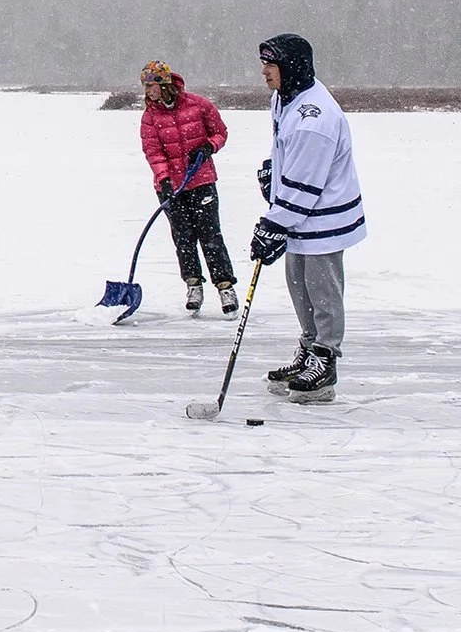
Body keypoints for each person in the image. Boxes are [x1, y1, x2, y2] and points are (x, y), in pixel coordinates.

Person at [249, 34, 366, 404]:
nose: (265, 72)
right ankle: (308, 349)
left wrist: (274, 223)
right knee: (298, 283)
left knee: (322, 290)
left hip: (323, 217)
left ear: (292, 67)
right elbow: (285, 148)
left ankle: (325, 359)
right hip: (300, 213)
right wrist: (272, 169)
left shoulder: (313, 119)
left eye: (272, 65)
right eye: (264, 64)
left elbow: (306, 184)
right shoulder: (285, 99)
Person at [138, 60, 238, 316]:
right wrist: (164, 180)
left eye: (151, 85)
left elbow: (220, 132)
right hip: (171, 187)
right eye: (145, 86)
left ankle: (225, 286)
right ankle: (193, 285)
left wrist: (209, 147)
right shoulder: (150, 116)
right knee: (183, 238)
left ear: (163, 83)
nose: (148, 91)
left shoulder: (198, 104)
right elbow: (153, 151)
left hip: (201, 181)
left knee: (210, 236)